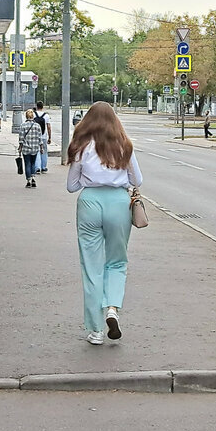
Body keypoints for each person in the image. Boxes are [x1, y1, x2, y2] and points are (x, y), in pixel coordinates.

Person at [66, 101, 142, 346]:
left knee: (91, 266)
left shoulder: (81, 147)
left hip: (89, 203)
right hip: (119, 202)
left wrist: (91, 179)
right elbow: (137, 179)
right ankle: (112, 308)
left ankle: (96, 330)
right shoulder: (124, 146)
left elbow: (72, 186)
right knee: (117, 261)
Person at [18, 108, 44, 188]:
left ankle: (28, 180)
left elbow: (21, 139)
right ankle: (33, 178)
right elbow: (40, 138)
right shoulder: (37, 125)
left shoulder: (23, 125)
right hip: (35, 148)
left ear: (26, 116)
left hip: (26, 148)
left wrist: (20, 148)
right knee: (33, 163)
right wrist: (41, 148)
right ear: (33, 116)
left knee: (27, 164)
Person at [34, 101, 50, 174]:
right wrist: (49, 137)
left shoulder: (33, 114)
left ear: (36, 106)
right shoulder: (46, 116)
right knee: (44, 151)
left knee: (37, 151)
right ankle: (43, 167)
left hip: (35, 136)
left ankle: (37, 167)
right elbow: (48, 127)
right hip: (43, 136)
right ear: (42, 107)